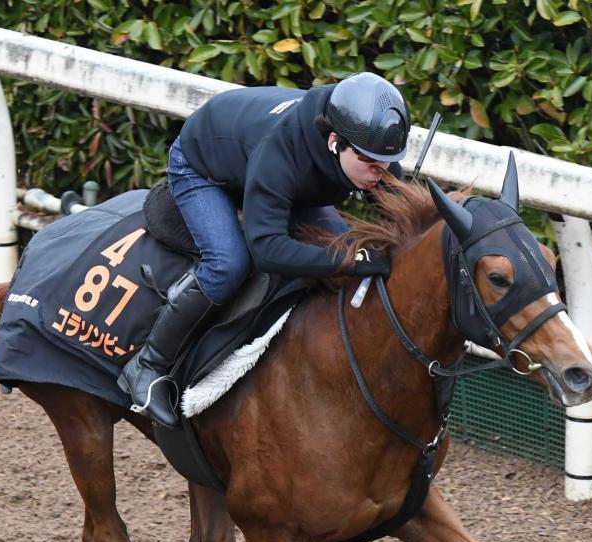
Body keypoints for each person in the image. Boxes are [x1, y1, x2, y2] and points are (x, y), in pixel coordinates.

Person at [118, 72, 411, 427]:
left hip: (286, 183)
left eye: (386, 162)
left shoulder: (367, 142)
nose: (381, 172)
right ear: (335, 142)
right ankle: (147, 365)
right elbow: (268, 250)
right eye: (369, 163)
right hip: (202, 169)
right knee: (228, 264)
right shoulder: (281, 150)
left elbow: (396, 200)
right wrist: (348, 260)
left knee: (342, 245)